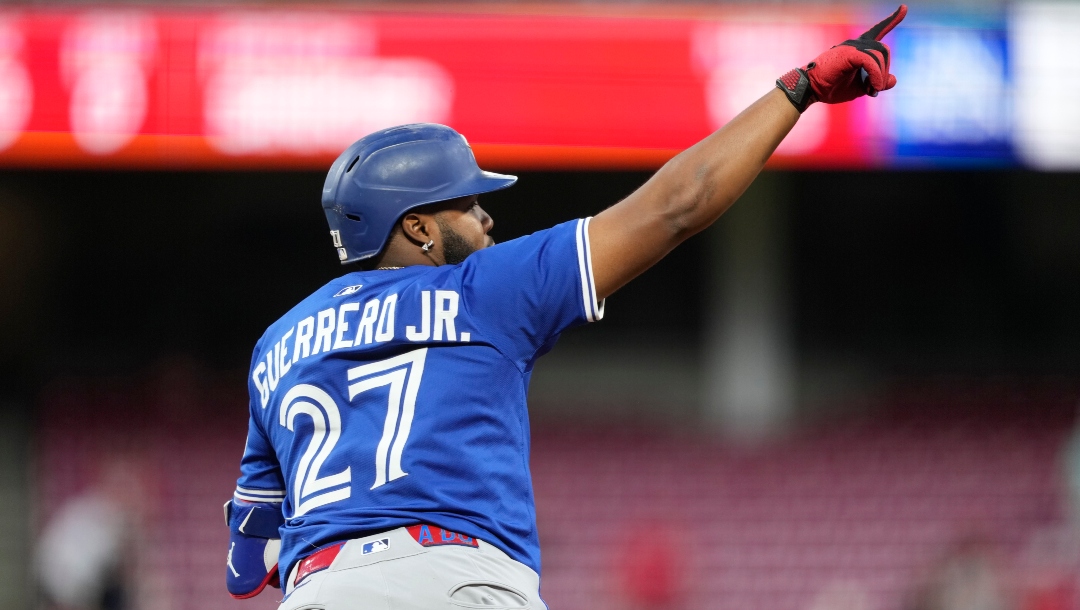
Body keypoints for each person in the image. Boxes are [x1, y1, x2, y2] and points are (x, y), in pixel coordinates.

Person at [225, 7, 907, 608]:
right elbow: (678, 204)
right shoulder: (483, 289)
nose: (486, 219)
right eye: (467, 203)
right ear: (418, 228)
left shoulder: (276, 346)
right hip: (454, 581)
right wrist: (799, 90)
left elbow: (247, 561)